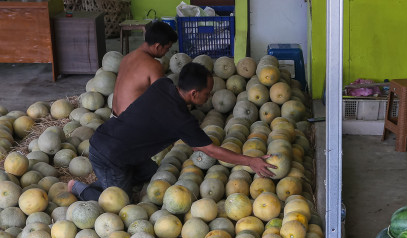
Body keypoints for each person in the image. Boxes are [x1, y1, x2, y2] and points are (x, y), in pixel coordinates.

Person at [69, 62, 275, 202]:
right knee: (118, 204)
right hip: (109, 154)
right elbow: (212, 150)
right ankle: (79, 189)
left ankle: (107, 181)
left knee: (152, 173)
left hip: (113, 139)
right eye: (207, 93)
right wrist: (250, 161)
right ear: (194, 94)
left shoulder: (163, 84)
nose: (209, 97)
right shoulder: (181, 120)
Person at [112, 20, 178, 117]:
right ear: (158, 46)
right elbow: (162, 99)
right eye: (167, 48)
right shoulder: (154, 65)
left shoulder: (126, 58)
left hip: (113, 118)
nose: (167, 52)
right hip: (130, 123)